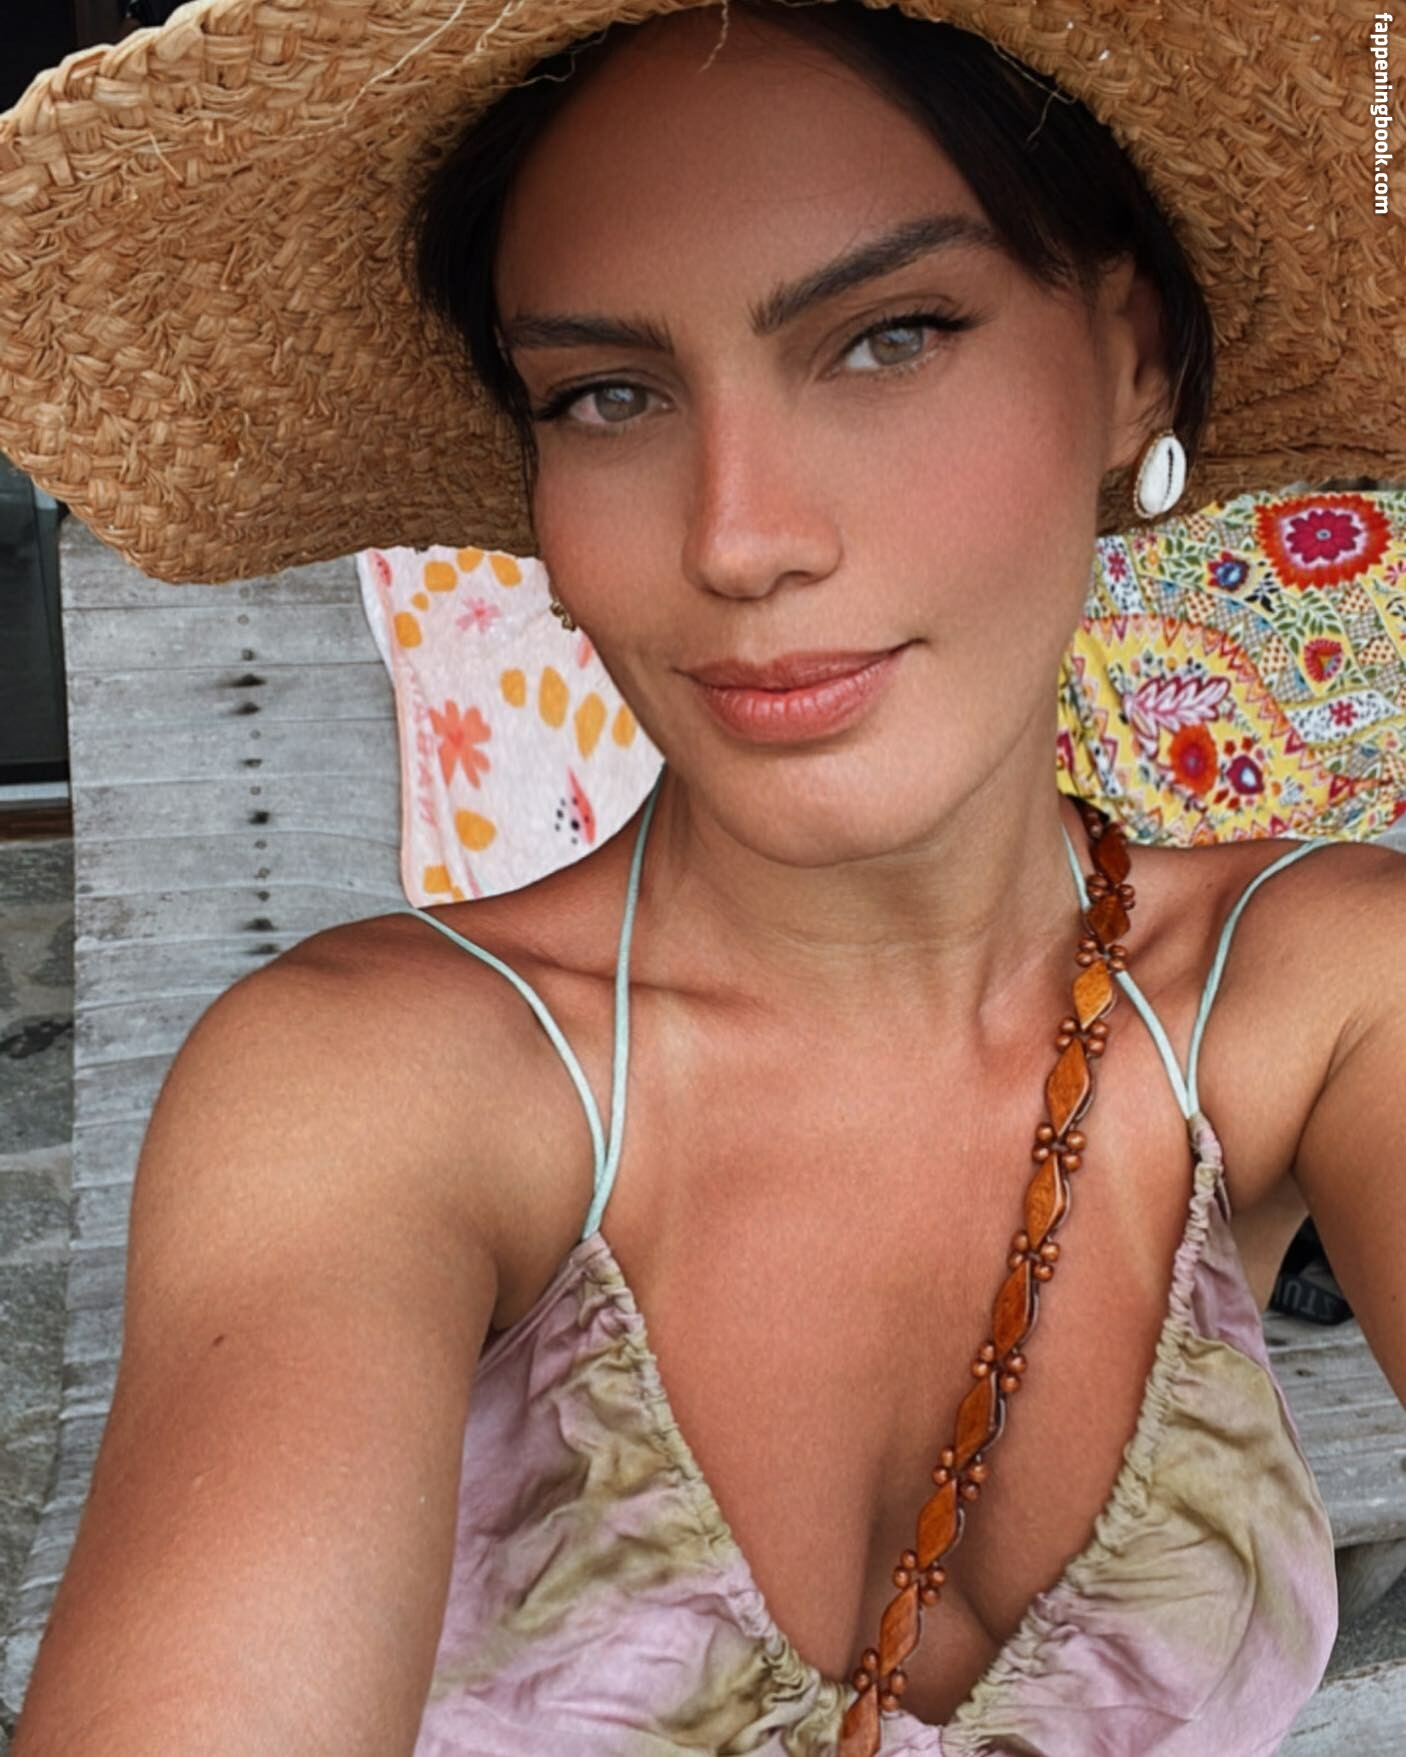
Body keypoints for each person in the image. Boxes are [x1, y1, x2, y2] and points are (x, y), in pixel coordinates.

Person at [2, 3, 1403, 1754]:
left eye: (887, 338)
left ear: (1131, 357)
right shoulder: (383, 1093)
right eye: (608, 395)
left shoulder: (1318, 994)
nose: (737, 539)